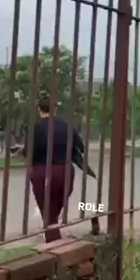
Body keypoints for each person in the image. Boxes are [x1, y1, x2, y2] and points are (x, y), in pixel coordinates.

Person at [13, 95, 88, 243]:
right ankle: (54, 235)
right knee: (55, 209)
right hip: (65, 171)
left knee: (47, 211)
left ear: (39, 110)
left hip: (42, 172)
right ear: (56, 109)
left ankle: (53, 241)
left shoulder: (36, 128)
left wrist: (22, 151)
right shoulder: (66, 126)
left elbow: (29, 151)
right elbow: (81, 147)